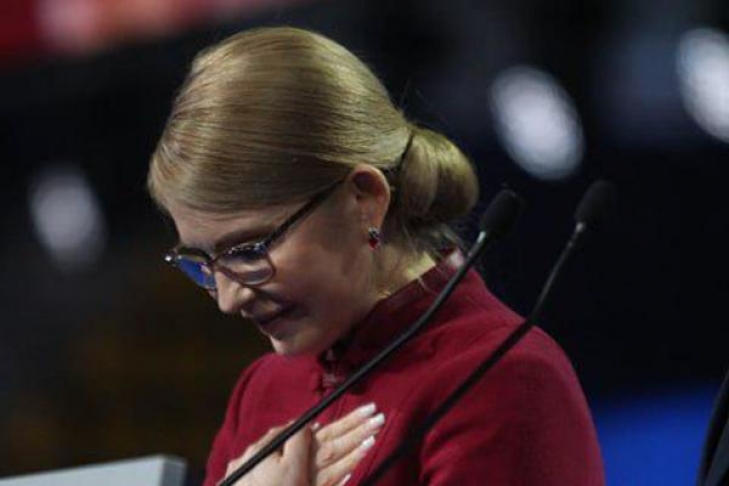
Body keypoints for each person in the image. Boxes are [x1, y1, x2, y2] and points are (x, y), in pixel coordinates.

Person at [148, 26, 605, 485]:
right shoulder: (262, 390)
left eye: (248, 250)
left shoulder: (503, 377)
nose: (229, 300)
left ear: (364, 199)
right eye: (203, 263)